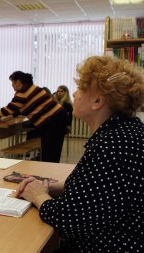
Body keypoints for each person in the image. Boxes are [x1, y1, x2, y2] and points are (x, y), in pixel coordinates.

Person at [16, 55, 144, 252]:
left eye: (81, 88)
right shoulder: (126, 131)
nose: (74, 93)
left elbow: (68, 220)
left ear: (97, 101)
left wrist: (37, 195)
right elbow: (98, 192)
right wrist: (47, 185)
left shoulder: (111, 144)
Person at [0, 71, 68, 163]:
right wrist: (11, 116)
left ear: (20, 82)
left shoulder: (23, 93)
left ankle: (50, 172)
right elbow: (23, 107)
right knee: (52, 148)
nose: (12, 85)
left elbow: (10, 108)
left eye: (14, 82)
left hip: (54, 120)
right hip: (58, 117)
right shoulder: (32, 88)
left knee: (50, 149)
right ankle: (50, 170)